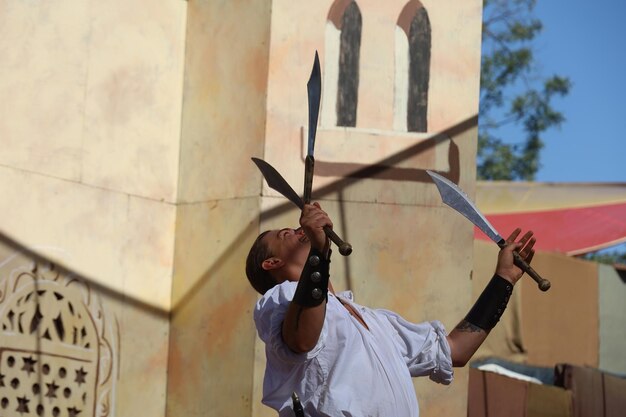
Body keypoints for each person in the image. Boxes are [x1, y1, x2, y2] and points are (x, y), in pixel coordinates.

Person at [246, 202, 536, 417]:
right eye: (286, 234)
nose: (297, 230)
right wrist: (320, 254)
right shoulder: (280, 298)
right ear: (272, 263)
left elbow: (455, 350)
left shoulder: (375, 321)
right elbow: (302, 339)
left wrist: (504, 280)